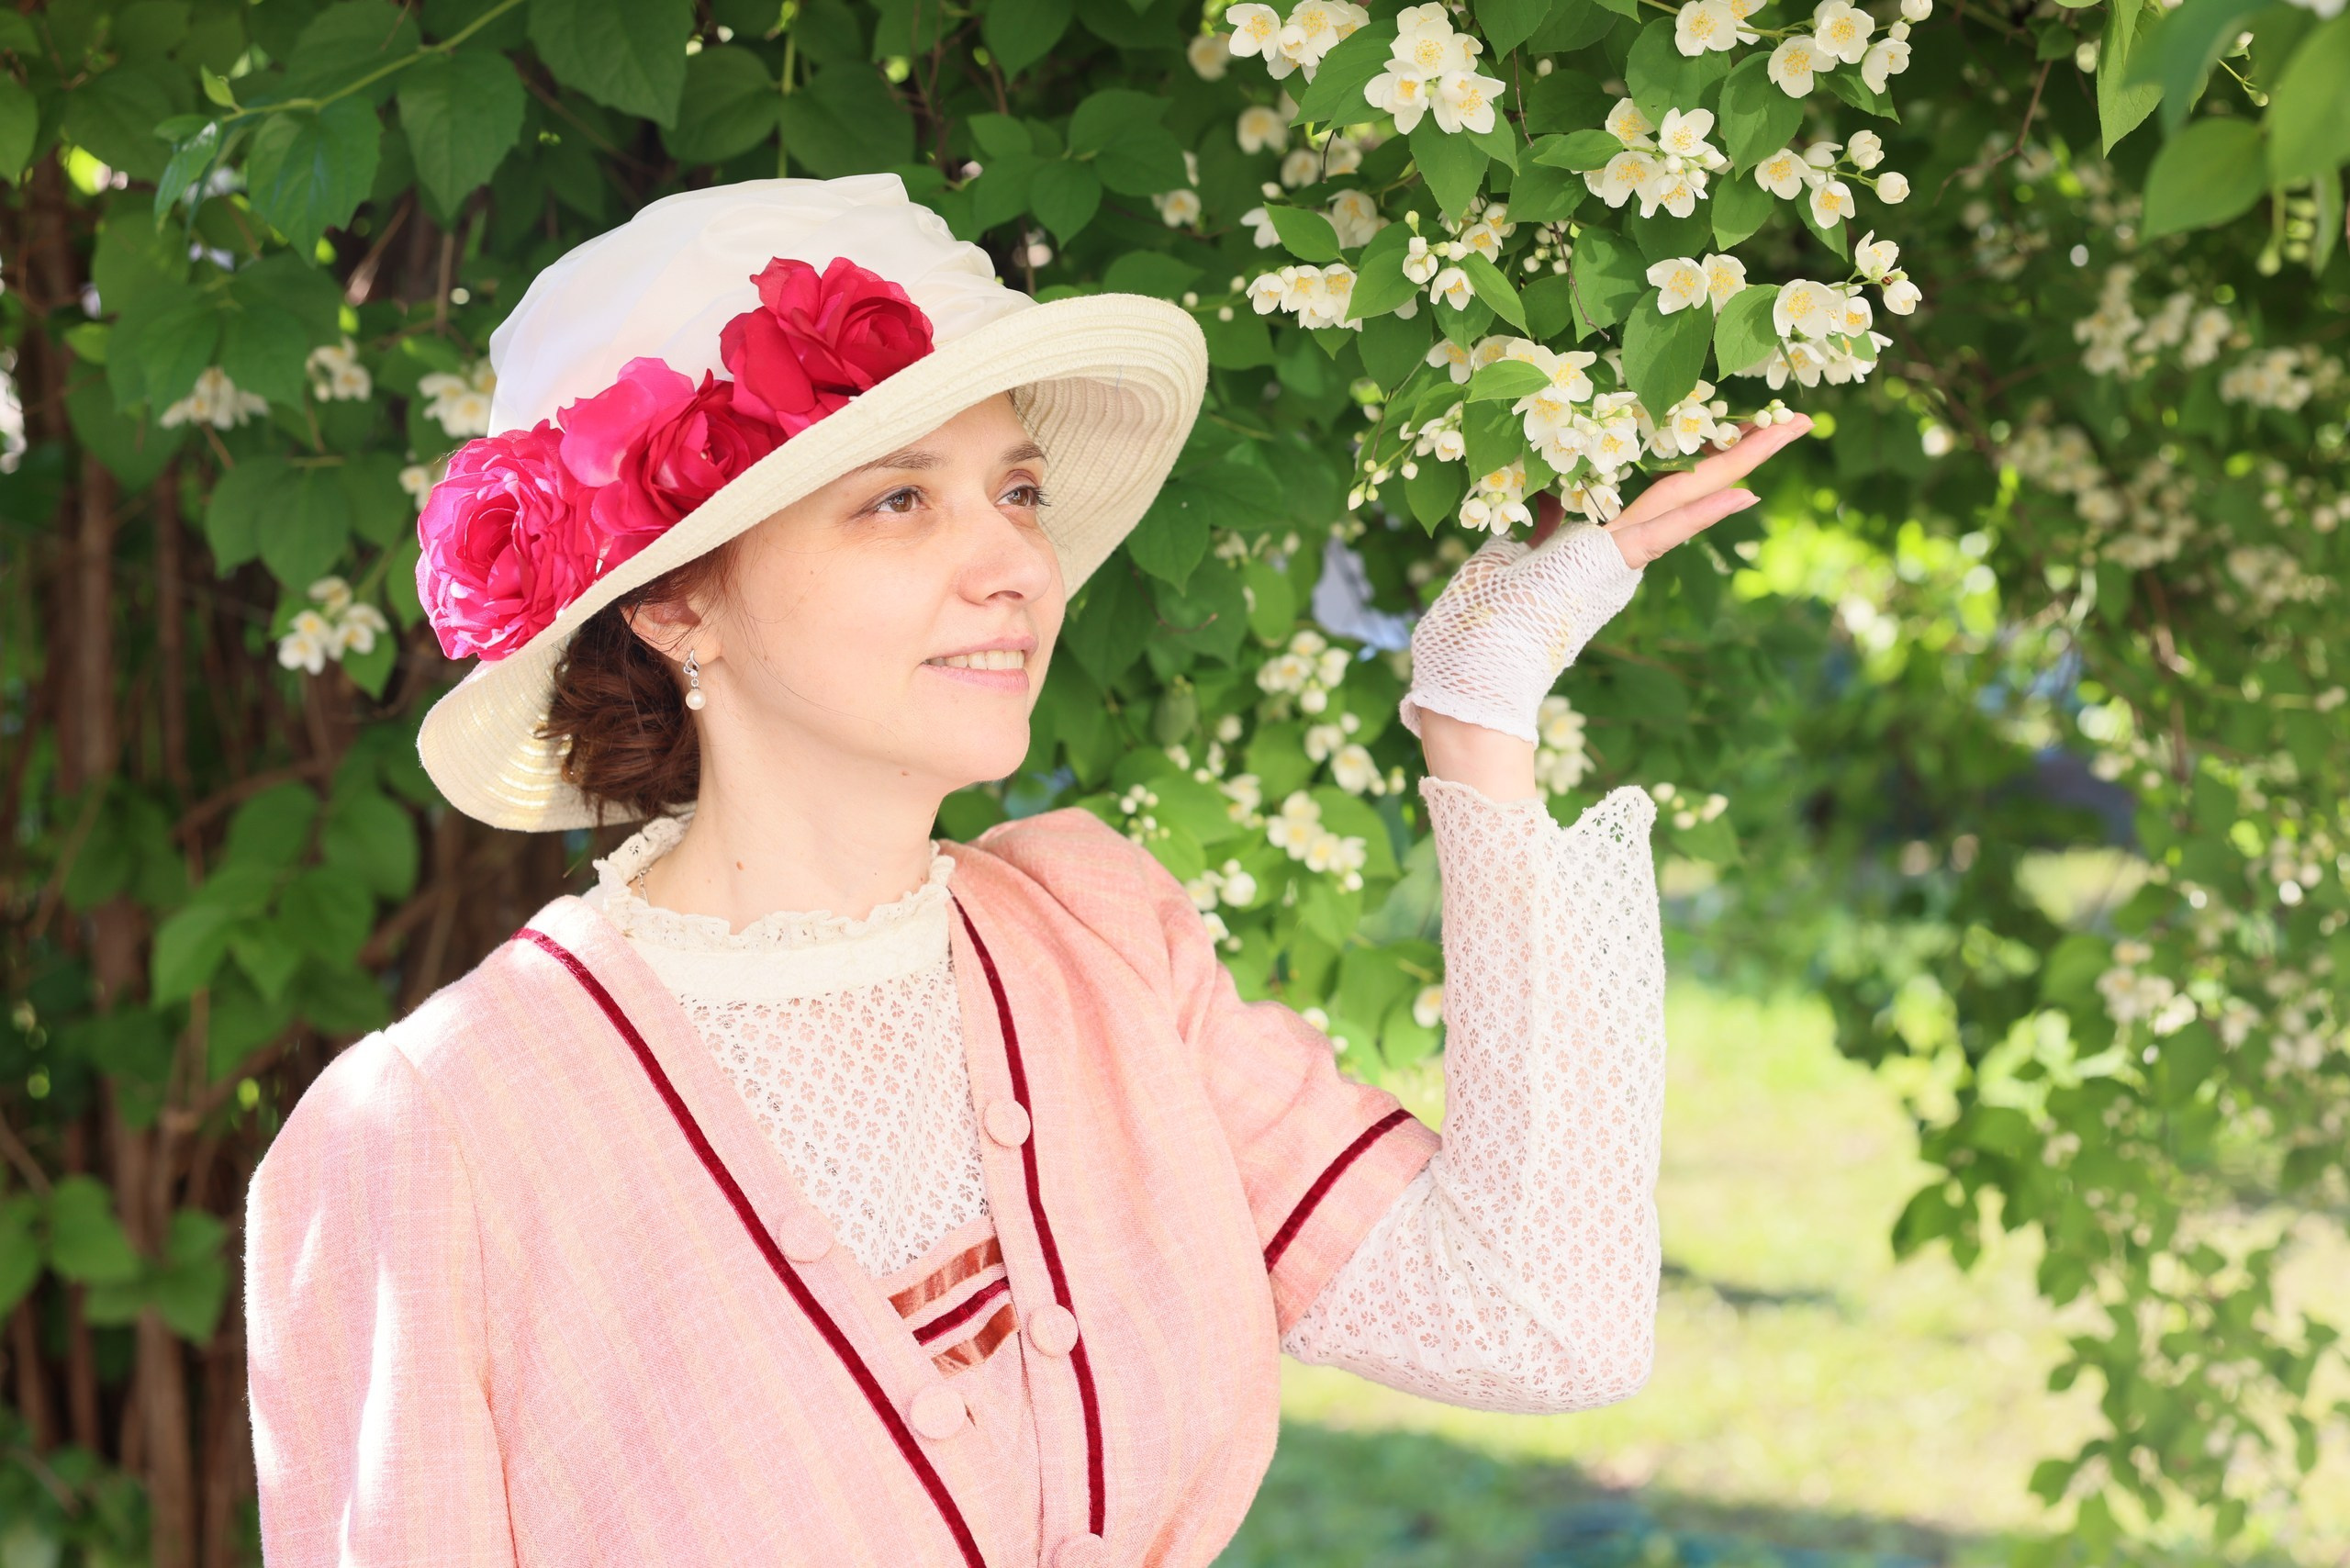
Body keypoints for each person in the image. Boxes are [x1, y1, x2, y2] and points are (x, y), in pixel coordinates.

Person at [241, 174, 1812, 1568]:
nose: (1012, 563)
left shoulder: (1095, 942)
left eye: (1017, 491)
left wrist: (1480, 709)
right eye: (899, 498)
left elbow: (1542, 1317)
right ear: (674, 607)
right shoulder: (433, 1138)